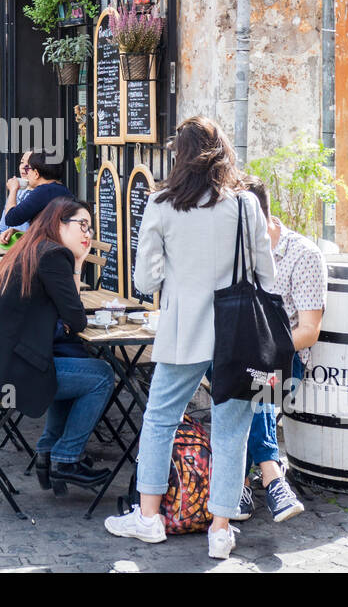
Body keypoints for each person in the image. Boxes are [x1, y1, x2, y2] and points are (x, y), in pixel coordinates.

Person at [104, 116, 276, 560]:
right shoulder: (244, 206)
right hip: (238, 334)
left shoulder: (162, 205)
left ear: (178, 157)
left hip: (185, 329)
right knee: (232, 429)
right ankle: (220, 529)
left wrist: (175, 274)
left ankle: (148, 518)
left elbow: (145, 279)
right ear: (222, 155)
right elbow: (266, 274)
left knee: (161, 418)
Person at [0, 196, 115, 489]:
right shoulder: (55, 256)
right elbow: (77, 320)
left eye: (91, 228)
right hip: (7, 378)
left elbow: (67, 319)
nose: (87, 234)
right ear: (58, 223)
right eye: (82, 225)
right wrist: (79, 264)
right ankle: (66, 459)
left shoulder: (27, 249)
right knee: (101, 376)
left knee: (73, 362)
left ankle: (47, 451)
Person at [235, 176, 325, 524]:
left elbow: (309, 331)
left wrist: (264, 348)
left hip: (286, 361)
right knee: (244, 374)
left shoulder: (303, 255)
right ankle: (272, 477)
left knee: (251, 383)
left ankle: (241, 483)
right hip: (237, 357)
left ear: (259, 216)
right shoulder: (235, 253)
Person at [0, 151, 72, 243]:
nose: (26, 173)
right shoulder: (62, 190)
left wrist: (13, 189)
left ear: (36, 173)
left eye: (28, 169)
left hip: (49, 253)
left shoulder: (43, 191)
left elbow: (10, 219)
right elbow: (48, 233)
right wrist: (17, 232)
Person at [0, 151, 34, 244]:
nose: (23, 166)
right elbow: (3, 224)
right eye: (22, 162)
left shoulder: (40, 195)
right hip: (6, 245)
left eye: (29, 164)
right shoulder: (18, 190)